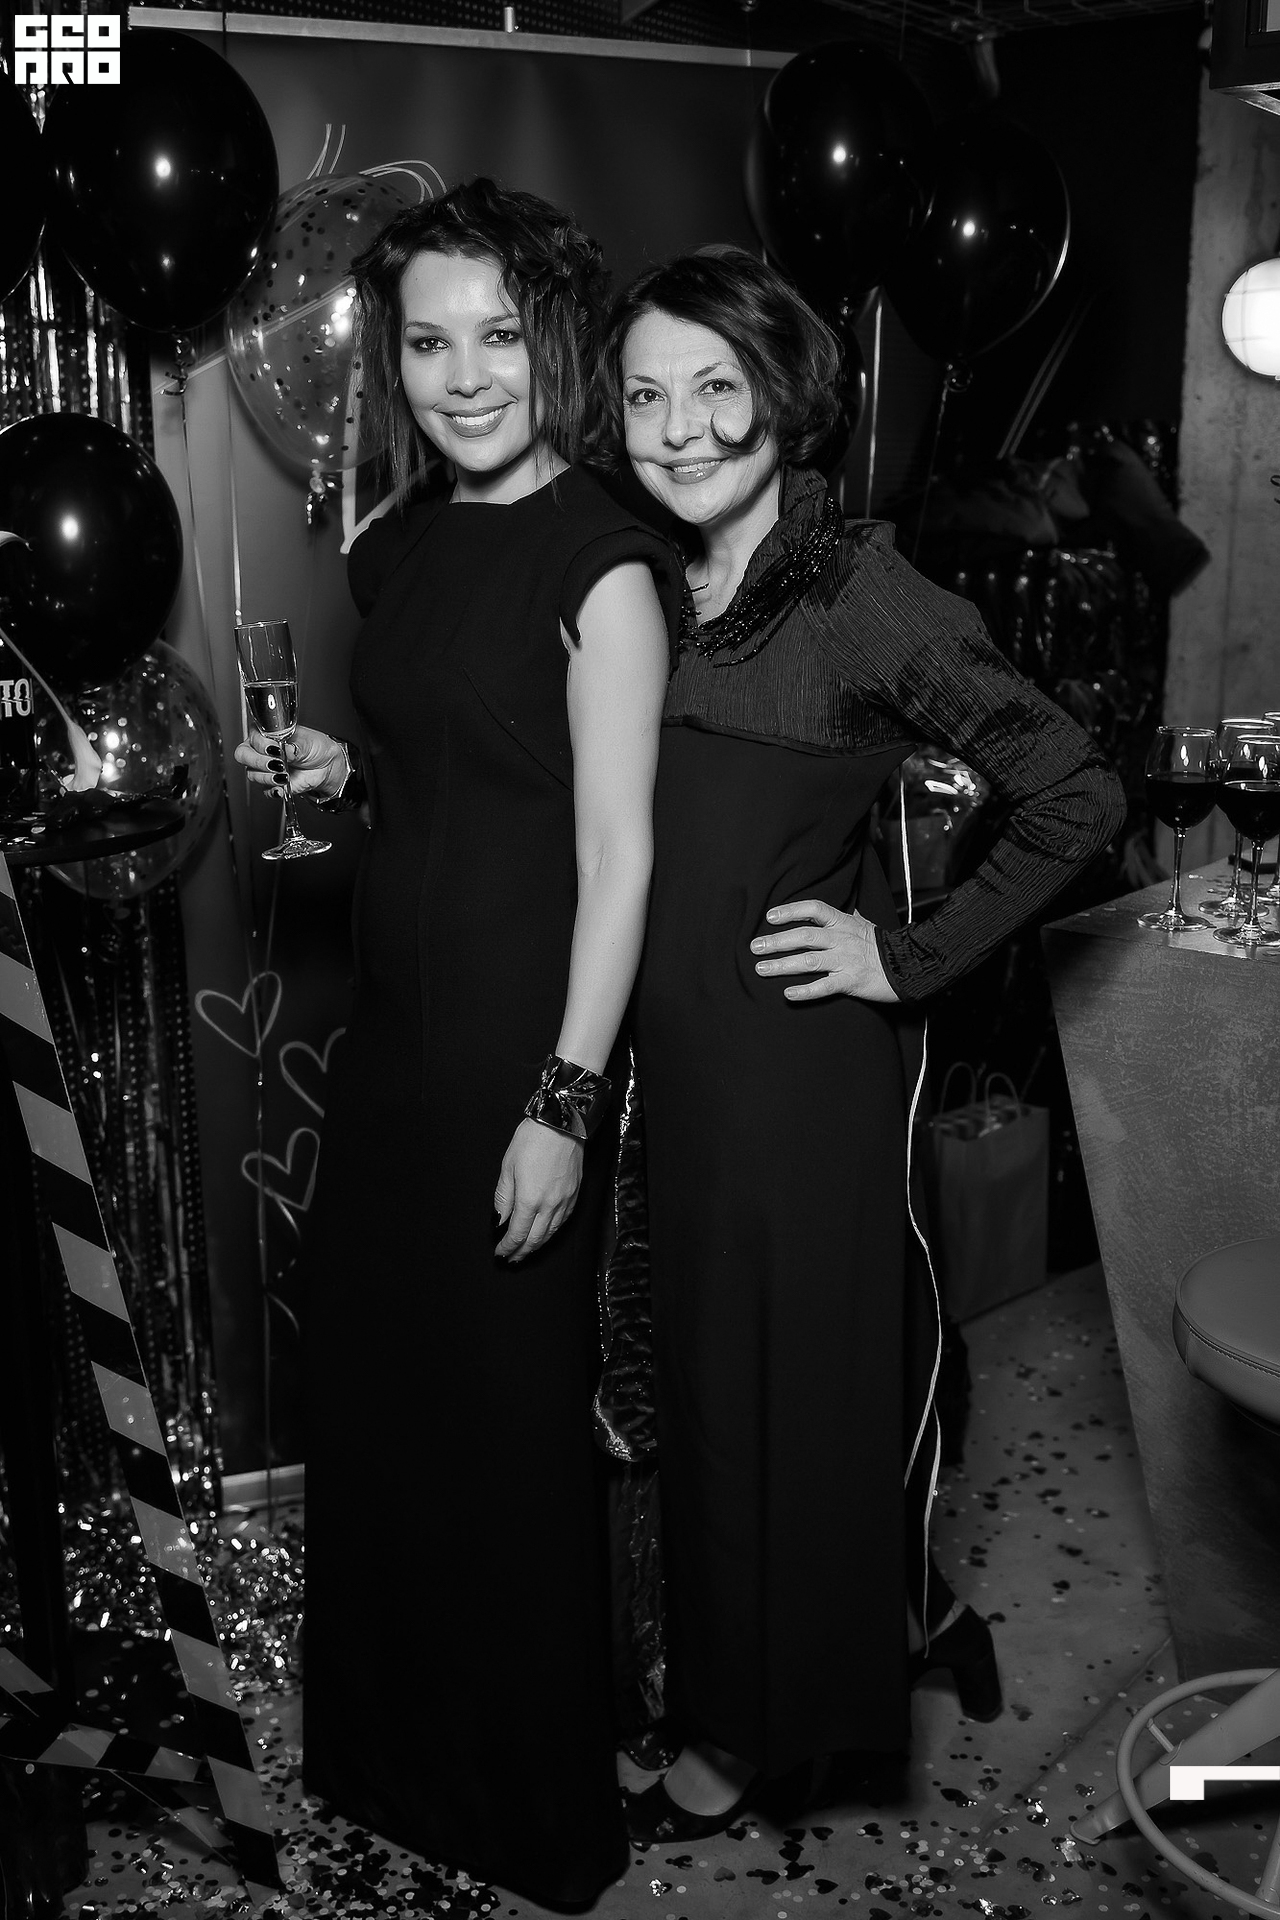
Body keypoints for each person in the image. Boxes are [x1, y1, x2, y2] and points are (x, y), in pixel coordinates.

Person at [595, 248, 1127, 1844]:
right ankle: (907, 1616)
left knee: (777, 1407)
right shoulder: (637, 580)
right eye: (645, 394)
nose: (680, 428)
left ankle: (753, 1729)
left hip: (791, 1083)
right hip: (665, 1074)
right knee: (712, 1398)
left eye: (716, 388)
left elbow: (1075, 791)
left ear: (785, 398)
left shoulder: (850, 591)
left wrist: (904, 955)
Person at [235, 179, 676, 1907]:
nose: (466, 376)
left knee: (502, 1443)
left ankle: (523, 1816)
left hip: (519, 1054)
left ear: (554, 342)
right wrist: (346, 773)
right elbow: (455, 771)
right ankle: (386, 1763)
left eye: (499, 336)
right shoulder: (397, 547)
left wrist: (565, 1101)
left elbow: (615, 855)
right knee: (388, 1411)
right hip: (393, 1055)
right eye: (430, 343)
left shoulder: (605, 564)